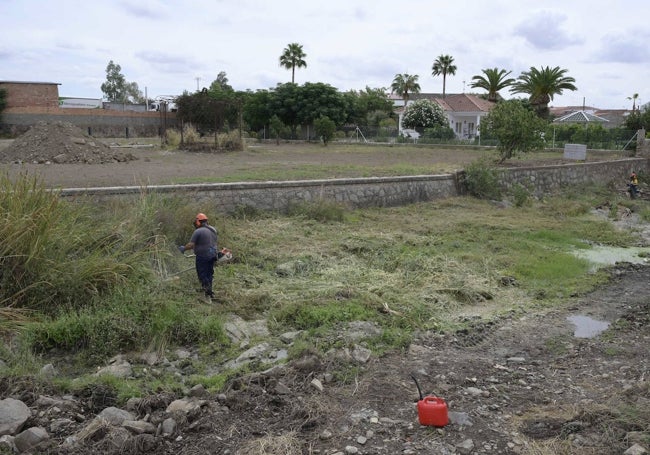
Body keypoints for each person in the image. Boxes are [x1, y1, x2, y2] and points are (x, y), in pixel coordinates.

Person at [178, 213, 218, 302]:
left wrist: (183, 248)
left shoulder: (198, 231)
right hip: (213, 255)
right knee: (209, 274)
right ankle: (210, 292)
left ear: (198, 222)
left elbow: (191, 245)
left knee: (202, 275)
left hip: (203, 256)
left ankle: (207, 296)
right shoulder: (213, 229)